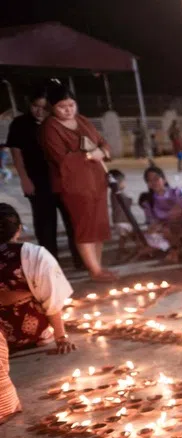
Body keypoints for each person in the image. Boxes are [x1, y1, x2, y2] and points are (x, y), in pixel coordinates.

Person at [38, 80, 115, 281]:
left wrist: (103, 151)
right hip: (74, 186)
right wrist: (89, 156)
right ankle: (94, 270)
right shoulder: (50, 128)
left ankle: (98, 266)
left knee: (98, 225)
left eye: (71, 105)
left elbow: (101, 141)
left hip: (97, 181)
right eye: (62, 107)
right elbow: (61, 158)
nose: (68, 110)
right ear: (52, 108)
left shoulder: (82, 120)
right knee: (84, 227)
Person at [7, 88, 78, 269]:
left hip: (62, 180)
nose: (39, 111)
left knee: (73, 220)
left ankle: (80, 259)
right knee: (45, 225)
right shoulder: (20, 124)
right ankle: (51, 263)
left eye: (44, 107)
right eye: (35, 106)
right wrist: (24, 179)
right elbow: (17, 153)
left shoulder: (58, 123)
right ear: (29, 105)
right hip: (37, 181)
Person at [0, 203, 74, 352]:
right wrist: (60, 337)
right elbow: (52, 298)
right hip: (31, 334)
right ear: (19, 229)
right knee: (43, 290)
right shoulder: (35, 255)